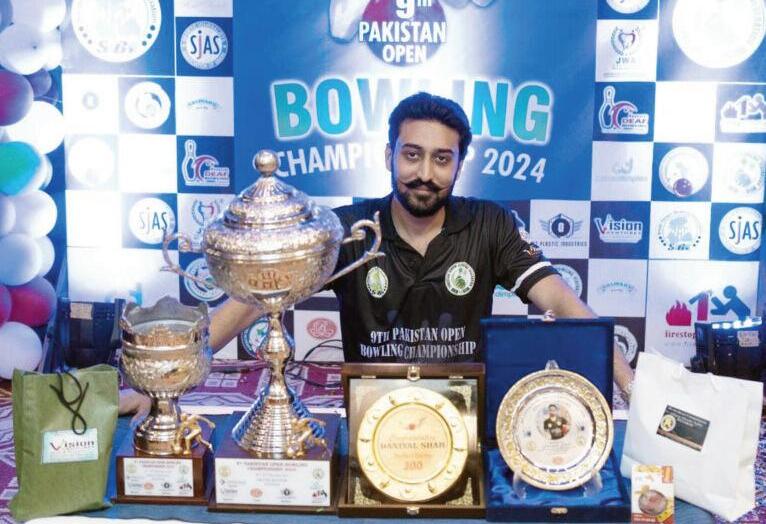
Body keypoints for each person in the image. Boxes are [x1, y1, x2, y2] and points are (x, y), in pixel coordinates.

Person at [119, 92, 633, 416]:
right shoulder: (347, 228)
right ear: (389, 155)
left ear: (459, 164)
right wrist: (164, 386)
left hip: (463, 410)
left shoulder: (490, 224)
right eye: (412, 155)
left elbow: (563, 304)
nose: (424, 174)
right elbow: (252, 301)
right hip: (371, 411)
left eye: (442, 159)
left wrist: (629, 381)